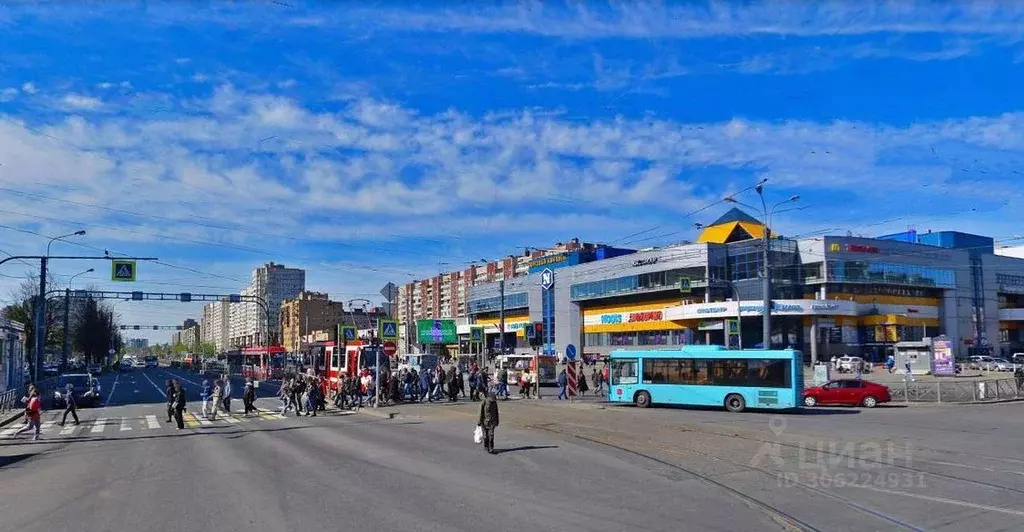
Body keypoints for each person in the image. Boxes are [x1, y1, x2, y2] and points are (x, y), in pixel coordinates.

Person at [478, 389, 500, 455]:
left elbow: (496, 412)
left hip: (492, 421)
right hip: (484, 421)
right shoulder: (484, 402)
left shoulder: (494, 403)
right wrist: (479, 421)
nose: (493, 401)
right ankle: (486, 446)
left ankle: (491, 448)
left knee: (491, 435)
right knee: (485, 436)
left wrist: (497, 421)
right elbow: (481, 412)